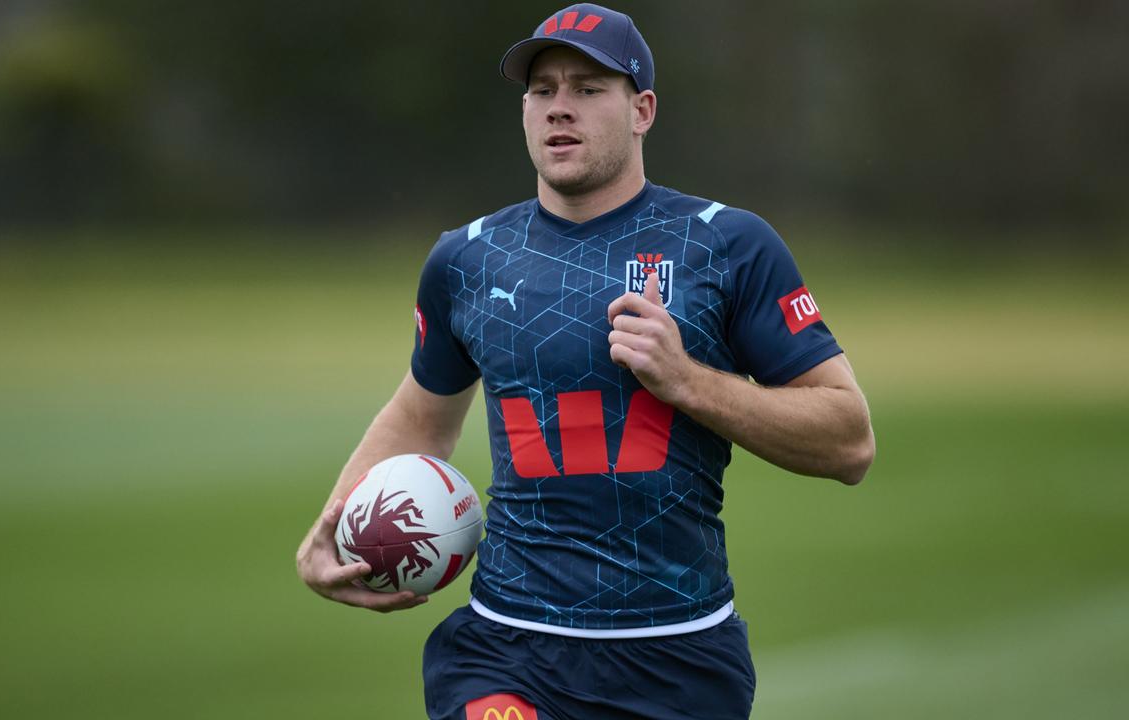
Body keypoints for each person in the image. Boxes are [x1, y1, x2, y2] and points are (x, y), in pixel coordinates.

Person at [296, 4, 875, 718]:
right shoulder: (466, 258)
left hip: (679, 657)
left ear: (643, 109)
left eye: (588, 87)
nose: (559, 108)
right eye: (542, 91)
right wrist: (333, 530)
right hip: (504, 648)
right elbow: (420, 416)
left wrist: (687, 380)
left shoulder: (729, 245)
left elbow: (849, 440)